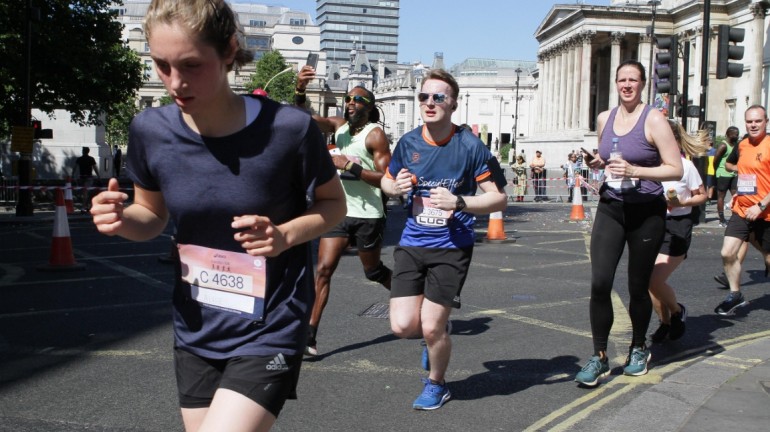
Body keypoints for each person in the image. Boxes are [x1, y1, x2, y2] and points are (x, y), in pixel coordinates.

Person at [88, 1, 346, 430]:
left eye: (191, 65)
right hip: (197, 325)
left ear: (228, 50)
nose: (175, 82)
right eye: (162, 65)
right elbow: (150, 215)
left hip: (270, 323)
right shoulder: (150, 130)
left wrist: (284, 235)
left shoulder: (289, 129)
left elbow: (334, 204)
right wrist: (120, 220)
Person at [381, 69, 507, 410]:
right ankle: (434, 332)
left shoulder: (470, 146)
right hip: (412, 243)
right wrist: (394, 187)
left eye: (439, 97)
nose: (430, 103)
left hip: (452, 246)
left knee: (432, 327)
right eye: (424, 96)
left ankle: (436, 384)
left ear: (453, 104)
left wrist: (460, 202)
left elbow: (499, 199)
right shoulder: (408, 142)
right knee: (402, 326)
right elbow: (386, 181)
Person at [574, 60, 682, 387]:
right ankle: (599, 356)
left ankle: (638, 348)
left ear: (643, 84)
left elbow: (675, 168)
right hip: (611, 207)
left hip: (646, 212)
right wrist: (597, 162)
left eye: (633, 80)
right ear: (616, 83)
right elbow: (608, 162)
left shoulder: (654, 119)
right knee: (599, 283)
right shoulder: (605, 118)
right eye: (622, 80)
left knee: (637, 286)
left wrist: (636, 171)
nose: (626, 85)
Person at [294, 65, 392, 357]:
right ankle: (309, 337)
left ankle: (413, 296)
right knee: (323, 270)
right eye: (348, 98)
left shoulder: (376, 136)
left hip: (368, 214)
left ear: (369, 107)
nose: (350, 103)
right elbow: (306, 119)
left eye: (357, 100)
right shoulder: (339, 127)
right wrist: (300, 90)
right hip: (339, 211)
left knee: (373, 272)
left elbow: (386, 180)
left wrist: (349, 166)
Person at [648, 121, 708, 343]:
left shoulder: (686, 166)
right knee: (649, 283)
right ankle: (665, 322)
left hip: (677, 226)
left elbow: (702, 195)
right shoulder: (650, 166)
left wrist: (683, 202)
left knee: (654, 280)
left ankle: (677, 311)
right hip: (653, 223)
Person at [714, 105, 770, 315]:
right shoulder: (742, 145)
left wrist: (760, 205)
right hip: (742, 210)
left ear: (766, 122)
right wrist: (741, 192)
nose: (753, 125)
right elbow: (736, 168)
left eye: (758, 121)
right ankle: (735, 294)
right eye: (749, 121)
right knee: (727, 252)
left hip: (765, 213)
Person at [714, 126, 739, 227]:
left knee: (736, 195)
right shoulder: (723, 146)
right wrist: (717, 171)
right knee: (721, 196)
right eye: (734, 134)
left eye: (737, 134)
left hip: (733, 173)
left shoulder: (736, 145)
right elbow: (715, 160)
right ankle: (722, 219)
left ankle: (736, 217)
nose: (736, 136)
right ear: (728, 134)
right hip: (723, 174)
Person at [74, 146, 100, 213]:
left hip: (81, 177)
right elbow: (95, 168)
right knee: (87, 192)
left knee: (84, 192)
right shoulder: (91, 159)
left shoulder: (79, 159)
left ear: (83, 151)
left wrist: (73, 175)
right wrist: (98, 176)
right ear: (88, 151)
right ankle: (86, 206)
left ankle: (85, 206)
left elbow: (75, 168)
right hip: (89, 177)